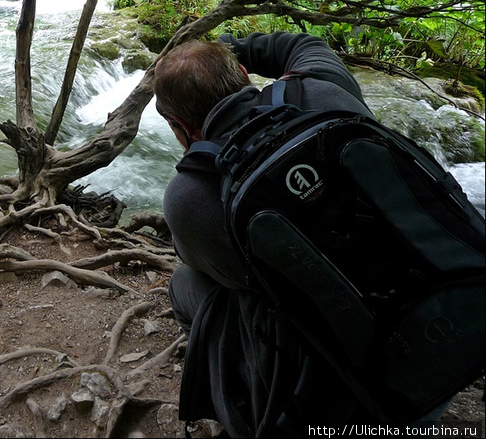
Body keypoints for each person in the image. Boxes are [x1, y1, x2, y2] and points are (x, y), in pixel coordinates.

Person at [153, 32, 401, 437]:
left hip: (346, 404)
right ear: (245, 75)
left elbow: (214, 271)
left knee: (185, 283)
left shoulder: (188, 197)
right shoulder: (323, 90)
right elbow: (303, 45)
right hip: (445, 333)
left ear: (179, 125)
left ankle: (244, 412)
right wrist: (235, 45)